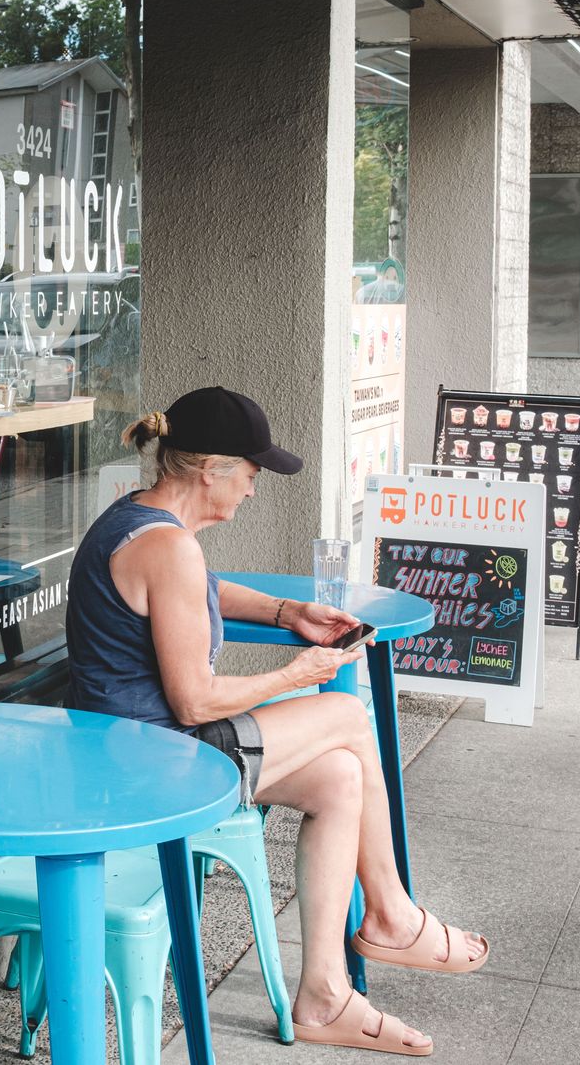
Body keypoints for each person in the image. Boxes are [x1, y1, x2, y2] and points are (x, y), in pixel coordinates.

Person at [66, 387, 487, 1056]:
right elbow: (195, 702)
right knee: (348, 712)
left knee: (341, 777)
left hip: (128, 746)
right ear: (213, 470)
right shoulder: (166, 547)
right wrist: (298, 672)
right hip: (152, 764)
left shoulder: (143, 521)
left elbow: (199, 586)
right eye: (253, 472)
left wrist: (286, 612)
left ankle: (324, 994)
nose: (256, 489)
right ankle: (390, 913)